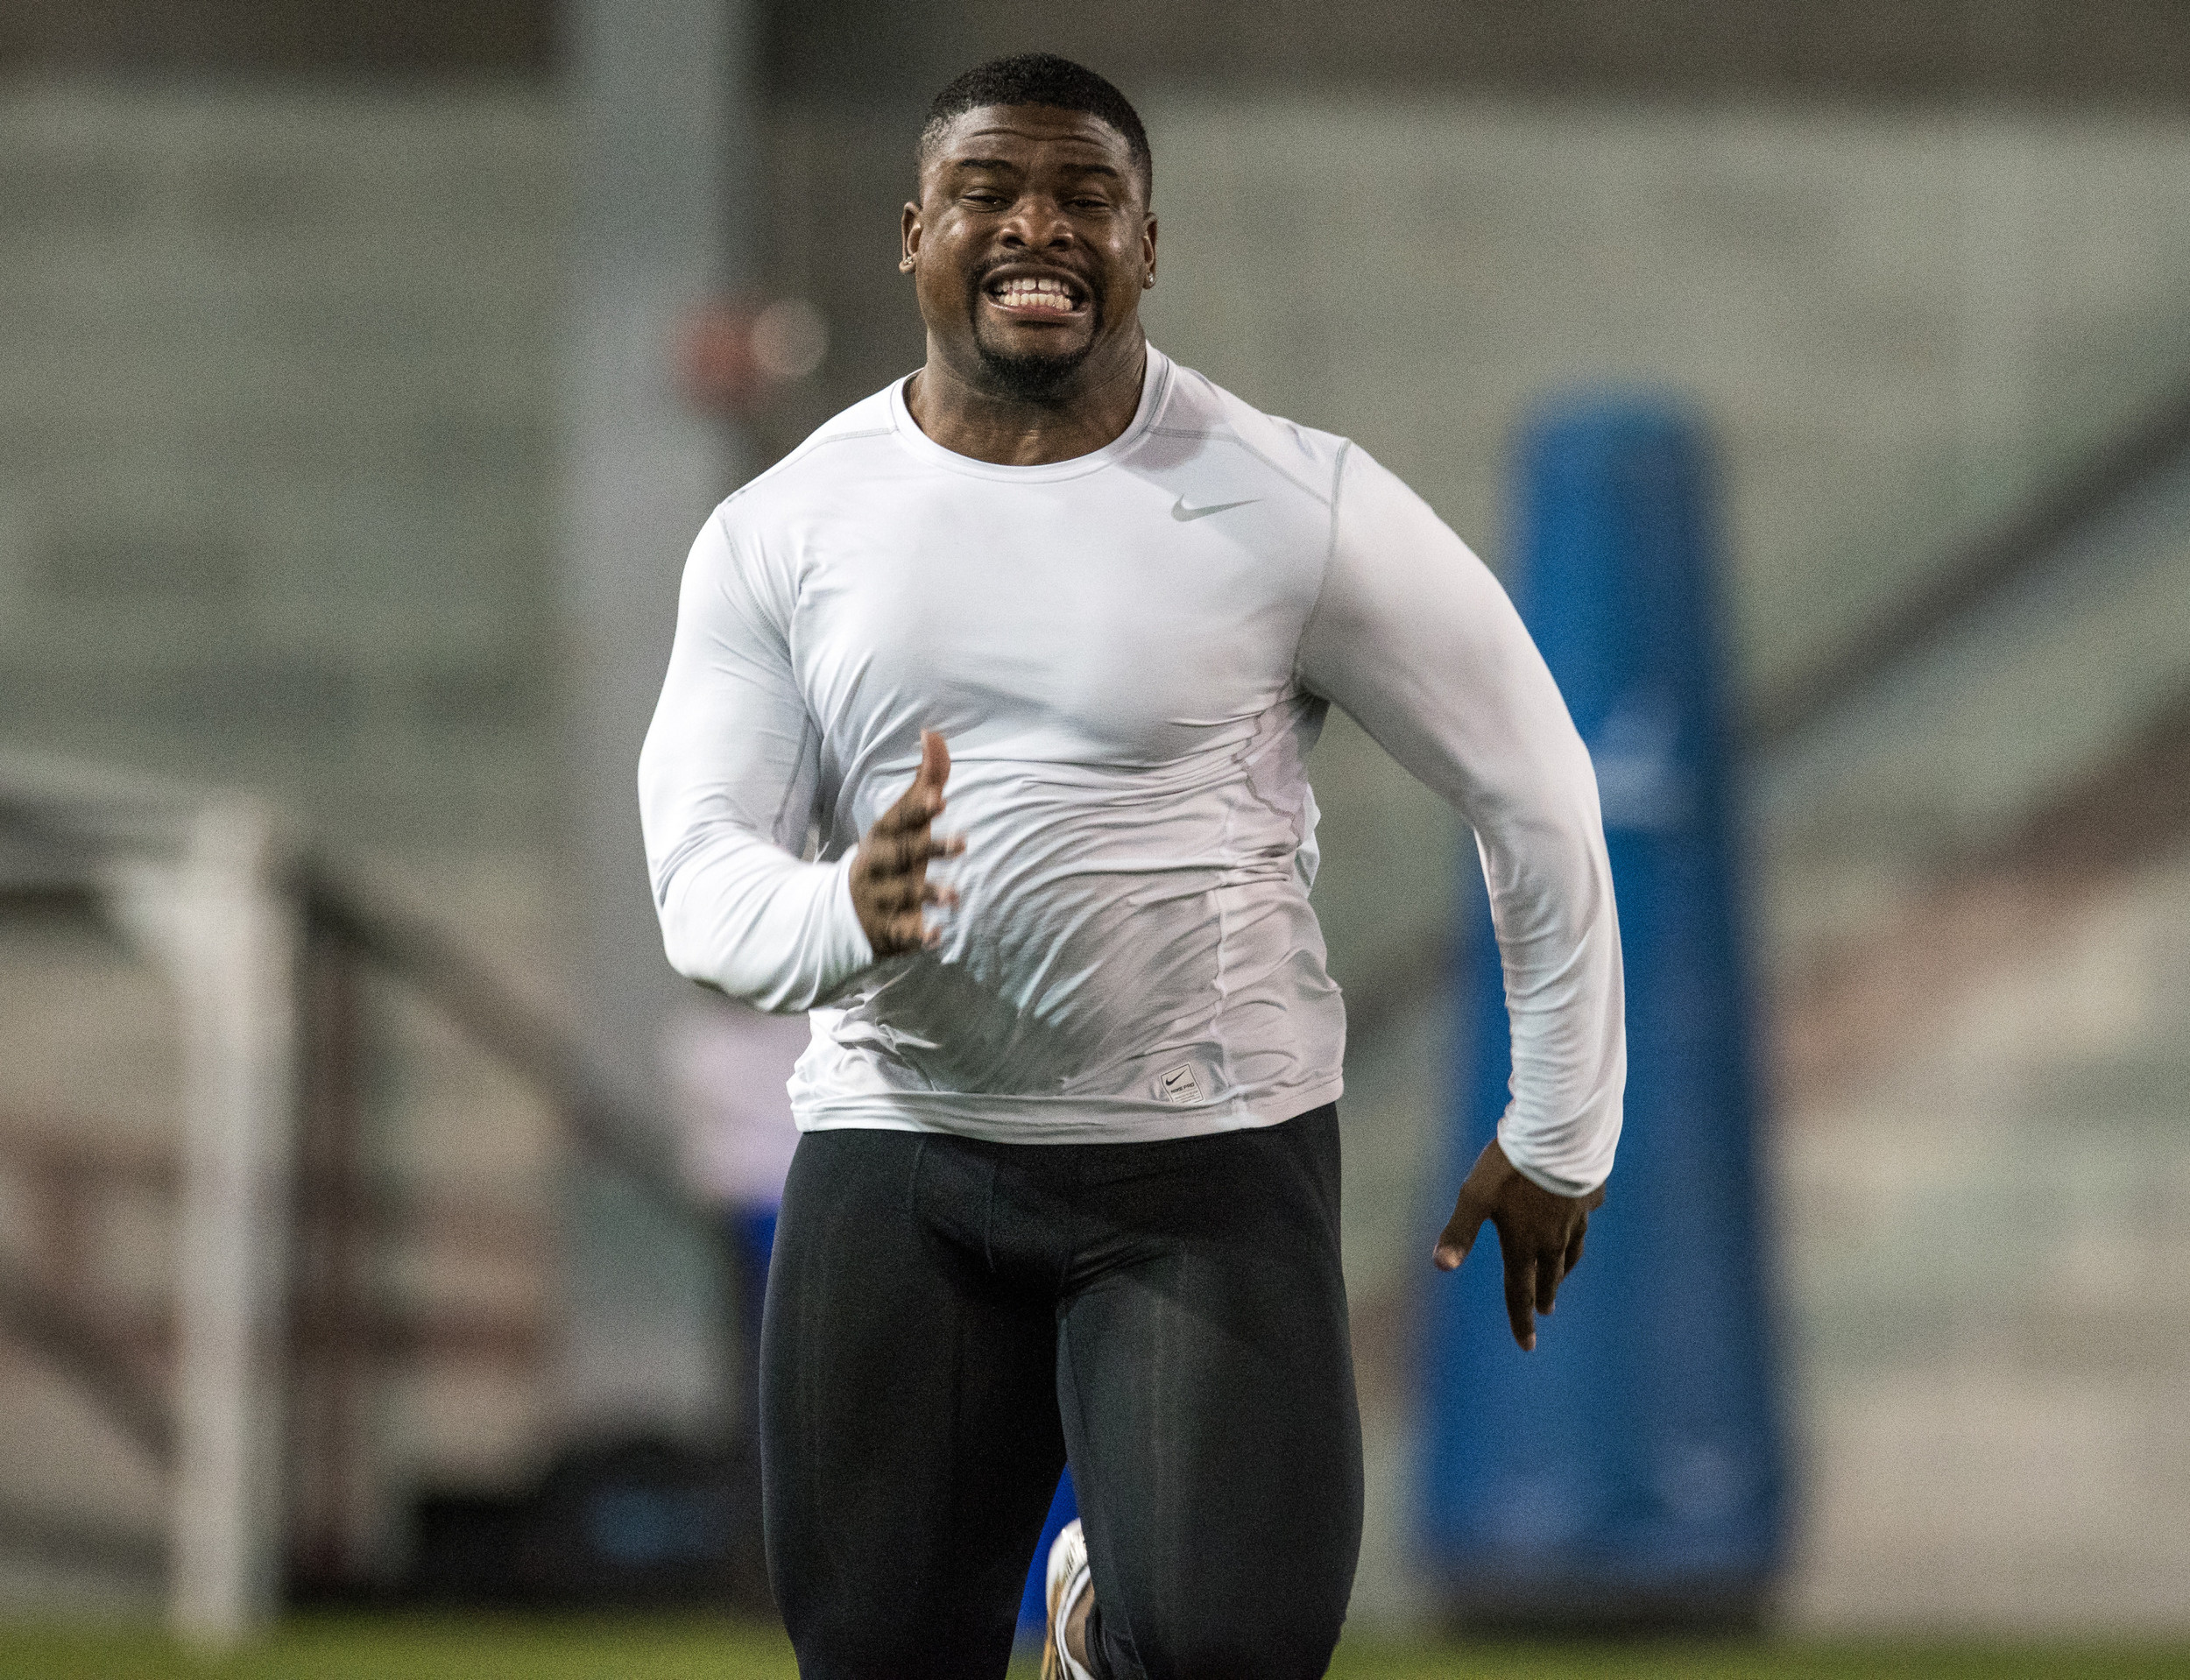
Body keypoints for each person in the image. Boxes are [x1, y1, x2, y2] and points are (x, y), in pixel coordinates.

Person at [637, 52, 1624, 1680]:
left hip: (1201, 1167)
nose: (1040, 224)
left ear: (1148, 244)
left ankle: (1110, 1616)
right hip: (905, 1152)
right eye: (990, 193)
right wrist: (842, 910)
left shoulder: (1296, 503)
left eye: (1087, 196)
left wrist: (1564, 1125)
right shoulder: (781, 528)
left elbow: (1536, 788)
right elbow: (699, 878)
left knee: (1231, 1656)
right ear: (913, 235)